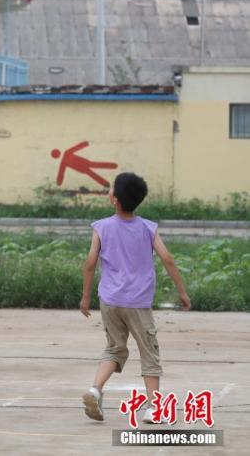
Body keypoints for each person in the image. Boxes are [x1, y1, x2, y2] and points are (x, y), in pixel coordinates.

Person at [79, 172, 192, 423]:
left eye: (110, 188)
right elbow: (168, 259)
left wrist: (85, 297)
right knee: (149, 353)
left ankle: (95, 389)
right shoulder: (148, 228)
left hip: (110, 300)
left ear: (115, 200)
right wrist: (182, 292)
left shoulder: (101, 227)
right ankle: (153, 408)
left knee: (114, 349)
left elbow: (89, 263)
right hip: (138, 303)